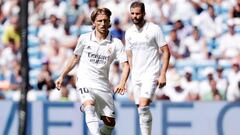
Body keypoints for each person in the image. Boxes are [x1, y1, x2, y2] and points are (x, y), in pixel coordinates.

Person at [55, 7, 130, 135]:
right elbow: (74, 58)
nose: (102, 24)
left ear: (109, 22)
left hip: (103, 85)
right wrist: (62, 75)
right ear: (93, 22)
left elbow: (126, 65)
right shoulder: (84, 38)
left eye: (105, 20)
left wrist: (122, 82)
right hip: (85, 80)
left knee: (110, 123)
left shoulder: (116, 43)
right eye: (99, 21)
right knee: (89, 105)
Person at [125, 2, 170, 135]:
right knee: (140, 108)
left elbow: (166, 52)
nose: (135, 16)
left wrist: (163, 74)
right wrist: (130, 76)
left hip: (151, 73)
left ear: (144, 14)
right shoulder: (129, 32)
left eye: (138, 13)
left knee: (144, 105)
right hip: (136, 75)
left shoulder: (154, 29)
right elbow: (129, 55)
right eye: (132, 13)